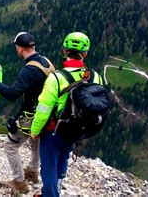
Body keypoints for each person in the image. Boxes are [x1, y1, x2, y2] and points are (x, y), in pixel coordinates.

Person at [0, 32, 55, 193]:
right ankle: (33, 171)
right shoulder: (46, 62)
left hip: (31, 115)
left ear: (19, 49)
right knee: (36, 141)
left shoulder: (28, 70)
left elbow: (12, 94)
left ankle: (19, 181)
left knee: (10, 146)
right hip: (46, 113)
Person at [29, 32, 103, 197]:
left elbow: (44, 109)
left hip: (54, 130)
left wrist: (34, 131)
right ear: (85, 54)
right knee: (63, 158)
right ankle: (57, 189)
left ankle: (50, 193)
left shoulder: (57, 78)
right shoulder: (96, 77)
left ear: (64, 51)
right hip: (79, 129)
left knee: (48, 167)